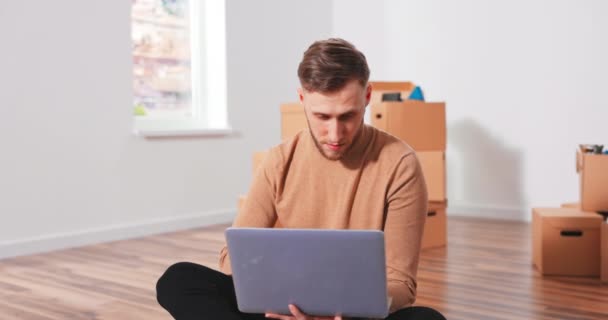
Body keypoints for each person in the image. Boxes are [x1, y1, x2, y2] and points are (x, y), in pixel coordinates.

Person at [156, 38, 446, 320]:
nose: (335, 135)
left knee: (425, 318)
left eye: (347, 116)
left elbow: (400, 284)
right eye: (322, 116)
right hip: (283, 309)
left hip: (352, 316)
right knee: (179, 280)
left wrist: (339, 311)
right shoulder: (280, 160)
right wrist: (282, 299)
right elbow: (233, 257)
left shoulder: (400, 164)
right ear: (302, 99)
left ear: (367, 97)